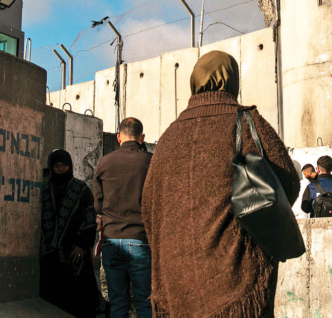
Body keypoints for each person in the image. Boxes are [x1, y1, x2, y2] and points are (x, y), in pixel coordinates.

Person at [142, 51, 299, 318]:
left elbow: (148, 205)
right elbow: (288, 183)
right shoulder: (247, 122)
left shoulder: (169, 135)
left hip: (176, 283)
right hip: (236, 277)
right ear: (232, 80)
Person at [92, 117, 153, 318]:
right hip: (140, 239)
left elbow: (97, 204)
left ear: (119, 137)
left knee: (118, 304)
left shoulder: (105, 162)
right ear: (142, 138)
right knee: (144, 302)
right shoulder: (150, 162)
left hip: (111, 239)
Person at [40, 150, 99, 318]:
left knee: (78, 301)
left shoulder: (81, 189)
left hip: (74, 253)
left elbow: (89, 218)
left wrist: (81, 244)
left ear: (70, 166)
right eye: (57, 166)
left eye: (64, 166)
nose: (60, 169)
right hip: (49, 256)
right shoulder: (43, 189)